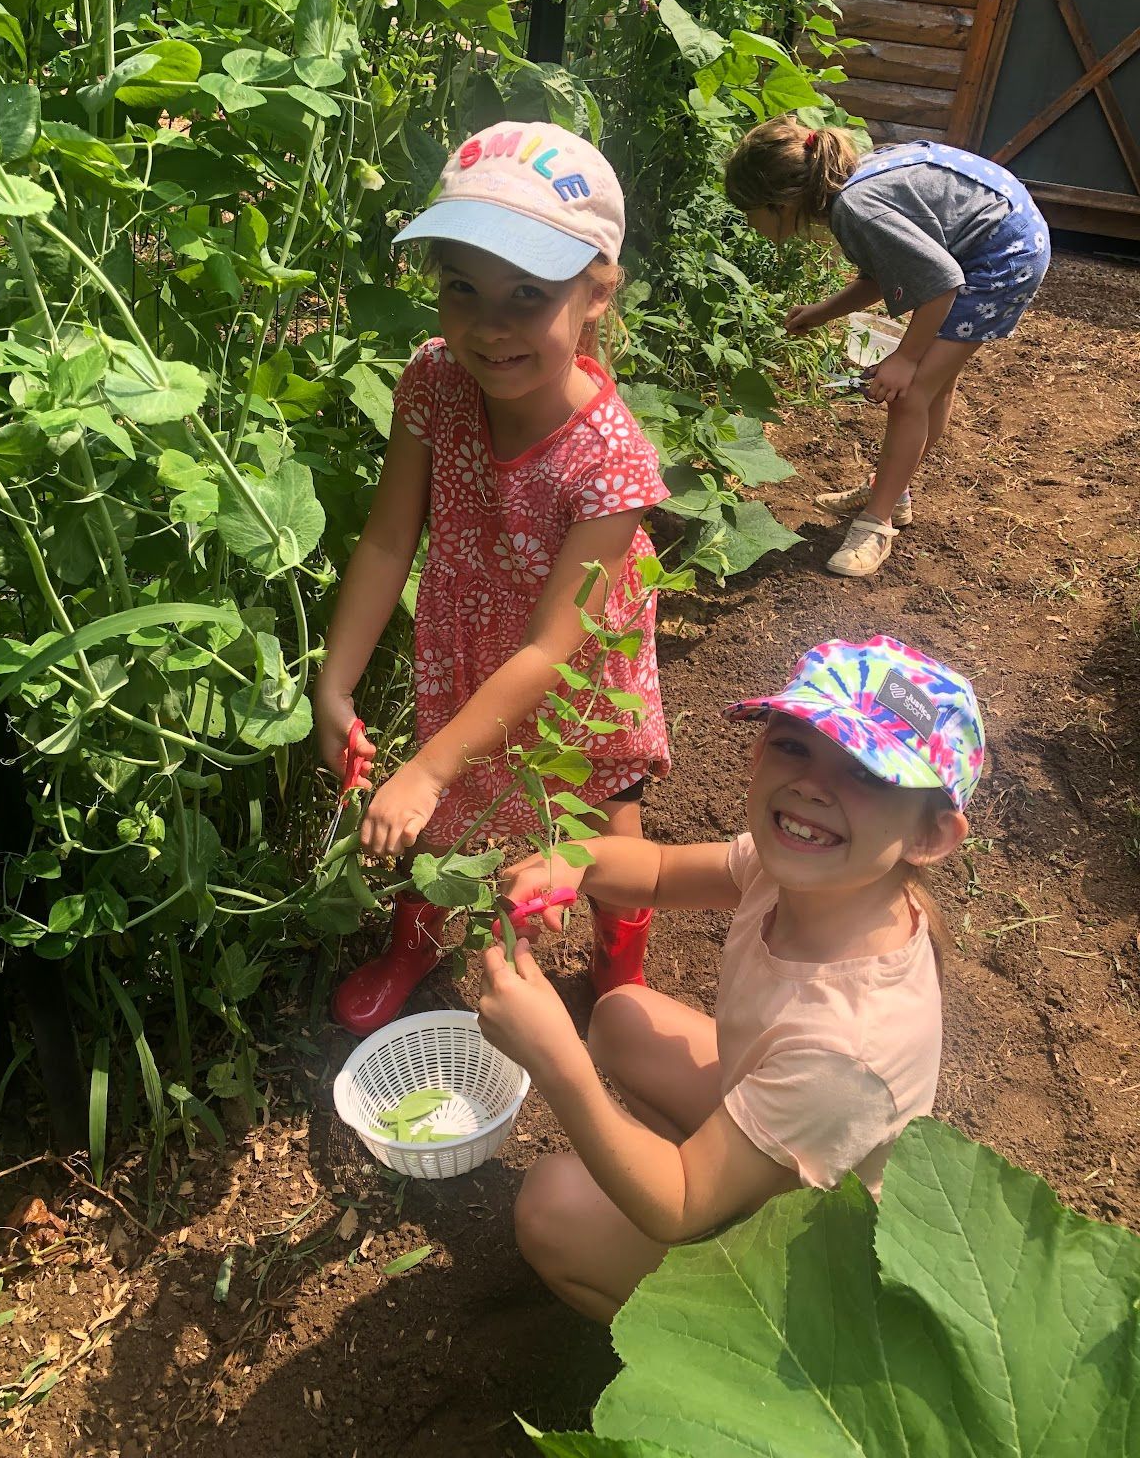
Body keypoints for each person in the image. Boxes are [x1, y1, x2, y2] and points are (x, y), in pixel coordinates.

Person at [481, 635, 983, 1323]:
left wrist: (554, 1059)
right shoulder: (801, 871)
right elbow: (657, 872)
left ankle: (711, 1354)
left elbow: (677, 1200)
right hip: (787, 1134)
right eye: (795, 745)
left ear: (931, 838)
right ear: (758, 752)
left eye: (866, 773)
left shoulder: (849, 1052)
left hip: (810, 1260)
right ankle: (720, 1187)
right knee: (621, 1015)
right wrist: (574, 861)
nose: (813, 783)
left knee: (552, 1209)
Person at [314, 121, 671, 1036]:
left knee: (604, 812)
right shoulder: (433, 382)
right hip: (470, 647)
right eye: (461, 287)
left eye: (527, 294)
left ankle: (619, 961)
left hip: (580, 667)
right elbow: (390, 542)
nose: (488, 324)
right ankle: (419, 935)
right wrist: (335, 683)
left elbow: (557, 646)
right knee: (452, 810)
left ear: (595, 293)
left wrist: (424, 771)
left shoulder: (610, 460)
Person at [724, 117, 1051, 577]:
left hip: (1001, 258)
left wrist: (906, 358)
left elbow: (940, 286)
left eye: (747, 211)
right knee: (932, 386)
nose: (748, 224)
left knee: (912, 389)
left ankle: (875, 525)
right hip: (994, 236)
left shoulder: (855, 208)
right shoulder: (846, 192)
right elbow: (890, 271)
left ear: (778, 202)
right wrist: (820, 312)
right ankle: (890, 493)